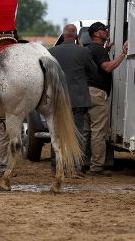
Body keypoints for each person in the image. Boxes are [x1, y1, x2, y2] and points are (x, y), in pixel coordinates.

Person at [48, 24, 98, 178]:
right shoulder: (83, 51)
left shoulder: (51, 52)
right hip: (78, 99)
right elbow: (94, 71)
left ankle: (56, 167)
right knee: (77, 134)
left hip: (57, 100)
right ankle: (76, 168)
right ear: (76, 36)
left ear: (63, 36)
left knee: (56, 133)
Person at [84, 22, 127, 175]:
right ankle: (96, 168)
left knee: (86, 131)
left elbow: (95, 64)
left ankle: (82, 164)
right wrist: (123, 53)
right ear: (96, 33)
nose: (106, 32)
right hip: (97, 94)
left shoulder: (89, 49)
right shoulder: (97, 50)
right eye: (103, 30)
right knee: (98, 132)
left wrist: (106, 51)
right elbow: (107, 67)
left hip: (85, 94)